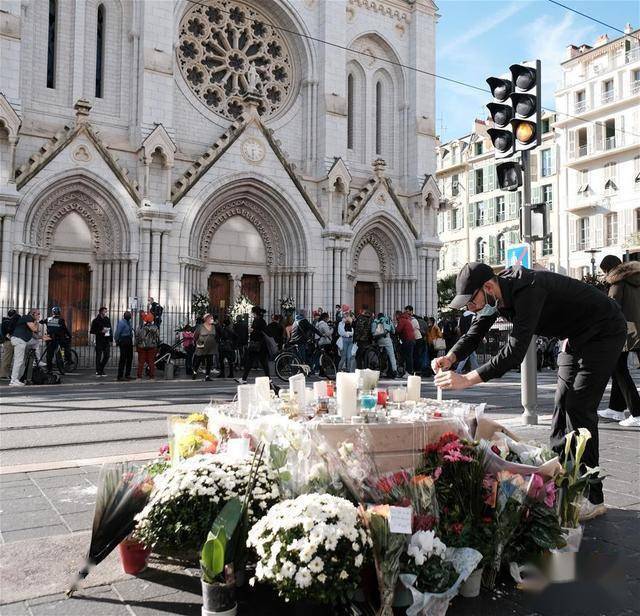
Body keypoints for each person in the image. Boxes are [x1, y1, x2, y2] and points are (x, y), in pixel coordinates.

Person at [433, 262, 627, 520]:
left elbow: (514, 352)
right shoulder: (494, 297)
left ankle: (593, 496)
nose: (470, 308)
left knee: (579, 406)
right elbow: (476, 331)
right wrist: (451, 356)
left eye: (471, 302)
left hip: (605, 329)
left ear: (488, 287)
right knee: (562, 404)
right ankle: (558, 483)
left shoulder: (528, 289)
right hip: (576, 334)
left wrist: (466, 379)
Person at [597, 256, 640, 428]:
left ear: (609, 269)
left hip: (626, 331)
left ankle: (637, 412)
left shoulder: (618, 283)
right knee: (618, 368)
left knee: (619, 369)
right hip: (636, 329)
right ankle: (616, 408)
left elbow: (612, 309)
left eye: (604, 271)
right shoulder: (636, 278)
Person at [236, 306, 270, 384]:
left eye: (253, 312)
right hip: (260, 345)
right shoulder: (262, 321)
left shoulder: (257, 321)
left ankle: (244, 378)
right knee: (261, 362)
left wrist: (252, 330)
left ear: (255, 313)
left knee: (251, 361)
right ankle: (268, 379)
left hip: (256, 344)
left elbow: (260, 332)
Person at [9, 308, 43, 386]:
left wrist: (42, 337)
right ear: (33, 313)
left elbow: (35, 335)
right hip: (19, 340)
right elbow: (35, 329)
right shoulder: (27, 317)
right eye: (38, 314)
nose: (39, 316)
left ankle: (36, 361)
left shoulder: (29, 321)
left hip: (21, 341)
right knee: (18, 361)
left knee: (35, 343)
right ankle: (13, 380)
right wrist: (36, 321)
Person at [43, 307, 72, 374]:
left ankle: (49, 369)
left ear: (52, 312)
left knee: (49, 355)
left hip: (50, 340)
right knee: (62, 352)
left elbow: (42, 321)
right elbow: (65, 329)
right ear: (59, 312)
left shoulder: (48, 319)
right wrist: (69, 336)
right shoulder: (61, 320)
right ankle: (66, 363)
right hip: (59, 340)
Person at [371, 312, 397, 378]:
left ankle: (380, 370)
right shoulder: (387, 320)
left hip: (378, 340)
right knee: (391, 355)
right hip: (387, 339)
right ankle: (394, 371)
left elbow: (373, 332)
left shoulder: (375, 321)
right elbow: (393, 331)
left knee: (379, 355)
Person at [193, 313, 218, 381]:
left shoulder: (213, 327)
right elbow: (195, 336)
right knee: (199, 360)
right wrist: (196, 342)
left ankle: (207, 376)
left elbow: (215, 336)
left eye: (212, 318)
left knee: (209, 361)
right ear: (206, 319)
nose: (212, 320)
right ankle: (194, 372)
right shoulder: (200, 327)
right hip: (201, 344)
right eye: (211, 318)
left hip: (211, 346)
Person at [135, 312, 160, 379]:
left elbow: (137, 337)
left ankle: (139, 376)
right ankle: (151, 376)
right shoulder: (155, 328)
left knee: (141, 362)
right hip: (152, 347)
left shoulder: (140, 327)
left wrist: (136, 345)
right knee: (151, 362)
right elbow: (157, 337)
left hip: (142, 346)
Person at [90, 307, 112, 377]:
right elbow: (92, 331)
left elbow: (110, 329)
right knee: (98, 356)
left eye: (106, 312)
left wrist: (111, 339)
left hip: (106, 340)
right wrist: (100, 331)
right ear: (100, 312)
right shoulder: (96, 320)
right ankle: (98, 371)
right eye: (104, 312)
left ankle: (101, 368)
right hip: (99, 340)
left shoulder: (107, 319)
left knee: (107, 355)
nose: (106, 313)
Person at [455, 310, 479, 374]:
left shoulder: (462, 317)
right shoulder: (474, 316)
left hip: (464, 337)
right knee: (468, 355)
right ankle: (458, 370)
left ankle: (476, 369)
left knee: (471, 355)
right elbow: (476, 327)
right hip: (471, 337)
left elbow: (458, 328)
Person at [114, 311, 134, 381]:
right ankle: (120, 376)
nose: (130, 317)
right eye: (129, 316)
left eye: (130, 315)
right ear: (125, 316)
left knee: (130, 358)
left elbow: (131, 331)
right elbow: (117, 333)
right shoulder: (121, 323)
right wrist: (117, 341)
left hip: (129, 340)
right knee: (123, 359)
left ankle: (127, 374)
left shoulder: (129, 323)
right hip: (123, 340)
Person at [395, 307, 416, 374]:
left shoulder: (402, 320)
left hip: (407, 340)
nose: (395, 317)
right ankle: (409, 371)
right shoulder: (406, 319)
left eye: (395, 315)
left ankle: (408, 372)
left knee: (407, 356)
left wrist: (393, 330)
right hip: (411, 339)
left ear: (397, 315)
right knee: (409, 356)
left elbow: (398, 330)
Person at [0, 309, 19, 379]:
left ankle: (4, 374)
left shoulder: (4, 321)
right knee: (9, 359)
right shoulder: (11, 322)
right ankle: (4, 374)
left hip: (8, 341)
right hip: (10, 341)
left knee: (7, 358)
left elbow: (3, 333)